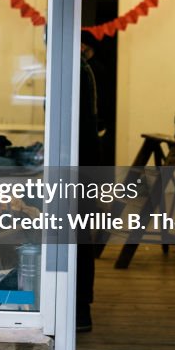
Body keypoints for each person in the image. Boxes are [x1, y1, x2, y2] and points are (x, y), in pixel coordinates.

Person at [76, 33, 101, 332]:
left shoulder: (79, 70)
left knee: (79, 234)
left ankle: (81, 307)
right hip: (84, 159)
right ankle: (80, 306)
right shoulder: (82, 69)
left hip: (79, 162)